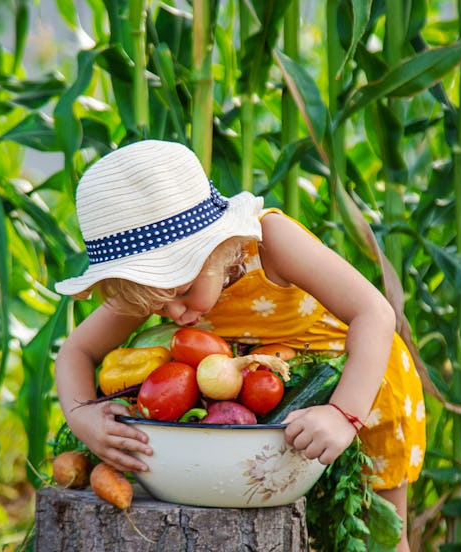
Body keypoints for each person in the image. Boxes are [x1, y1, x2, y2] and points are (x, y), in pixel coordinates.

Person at [54, 140, 425, 550]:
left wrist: (343, 413)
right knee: (308, 534)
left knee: (380, 535)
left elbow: (374, 313)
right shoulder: (159, 287)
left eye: (182, 291)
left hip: (364, 387)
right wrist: (82, 418)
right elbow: (76, 351)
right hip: (274, 403)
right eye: (157, 303)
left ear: (214, 246)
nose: (173, 312)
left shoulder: (272, 242)